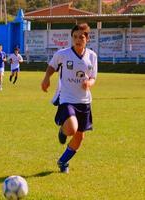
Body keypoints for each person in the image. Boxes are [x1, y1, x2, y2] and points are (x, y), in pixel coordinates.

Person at [41, 23, 97, 173]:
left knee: (80, 137)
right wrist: (46, 78)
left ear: (87, 39)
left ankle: (63, 161)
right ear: (72, 38)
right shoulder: (63, 54)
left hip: (84, 101)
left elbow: (93, 78)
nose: (78, 40)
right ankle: (63, 130)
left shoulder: (92, 56)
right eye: (75, 37)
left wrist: (88, 83)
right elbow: (52, 66)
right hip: (67, 99)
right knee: (72, 129)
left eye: (81, 37)